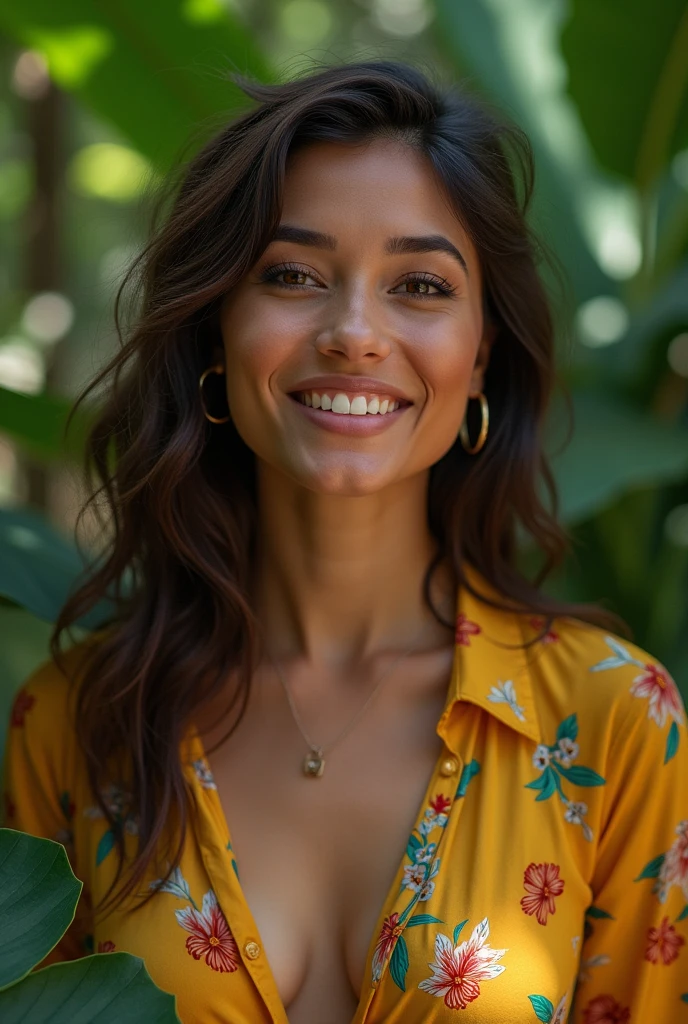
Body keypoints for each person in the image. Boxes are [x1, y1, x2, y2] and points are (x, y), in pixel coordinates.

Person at [3, 61, 687, 1024]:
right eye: (292, 274)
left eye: (419, 283)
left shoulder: (613, 723)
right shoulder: (79, 725)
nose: (354, 332)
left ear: (480, 349)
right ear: (214, 332)